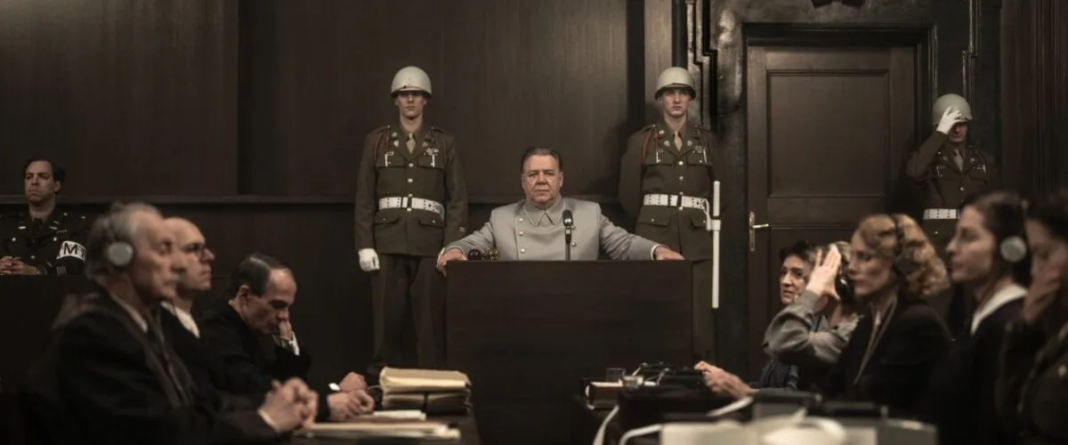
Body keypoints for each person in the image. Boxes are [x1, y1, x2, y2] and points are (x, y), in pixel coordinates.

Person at [26, 203, 314, 444]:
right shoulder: (93, 333)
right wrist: (265, 420)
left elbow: (203, 403)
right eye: (164, 250)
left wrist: (280, 404)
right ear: (119, 257)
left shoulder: (138, 324)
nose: (177, 265)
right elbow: (163, 432)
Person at [355, 66, 468, 378]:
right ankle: (381, 385)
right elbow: (364, 198)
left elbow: (457, 200)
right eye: (404, 94)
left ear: (425, 99)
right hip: (386, 244)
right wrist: (364, 244)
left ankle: (433, 386)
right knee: (385, 325)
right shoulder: (376, 141)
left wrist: (452, 245)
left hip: (430, 247)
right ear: (396, 99)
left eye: (416, 94)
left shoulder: (444, 143)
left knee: (430, 328)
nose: (410, 100)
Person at [199, 253, 374, 422]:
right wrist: (335, 391)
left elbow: (290, 385)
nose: (284, 316)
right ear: (245, 296)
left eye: (287, 307)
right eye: (277, 305)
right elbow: (261, 395)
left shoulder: (246, 328)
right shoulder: (215, 330)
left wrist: (286, 344)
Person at [618, 66, 719, 361]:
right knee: (655, 311)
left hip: (697, 241)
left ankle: (701, 374)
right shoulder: (642, 141)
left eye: (683, 93)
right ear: (660, 99)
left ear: (691, 99)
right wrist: (651, 224)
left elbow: (721, 192)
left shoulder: (706, 141)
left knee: (700, 321)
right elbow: (628, 195)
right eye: (670, 93)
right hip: (654, 237)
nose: (676, 99)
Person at [437, 147, 683, 267]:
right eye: (533, 174)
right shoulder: (502, 218)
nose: (541, 180)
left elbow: (624, 244)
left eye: (548, 173)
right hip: (519, 310)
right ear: (523, 182)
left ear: (561, 179)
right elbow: (473, 243)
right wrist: (454, 251)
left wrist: (657, 250)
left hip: (579, 311)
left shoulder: (589, 214)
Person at [919, 191, 1029, 445]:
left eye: (968, 237)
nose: (951, 248)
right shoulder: (979, 318)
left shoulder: (1008, 323)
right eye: (955, 236)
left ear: (1009, 248)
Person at [815, 214, 951, 417]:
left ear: (900, 264)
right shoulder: (870, 321)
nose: (851, 268)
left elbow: (877, 400)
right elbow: (831, 386)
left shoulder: (919, 323)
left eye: (865, 257)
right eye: (853, 256)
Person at [698, 242, 859, 398]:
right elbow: (770, 383)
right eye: (783, 272)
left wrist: (744, 391)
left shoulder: (824, 329)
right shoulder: (795, 321)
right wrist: (727, 381)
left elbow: (796, 395)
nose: (785, 281)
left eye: (798, 274)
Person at [906, 94, 999, 330]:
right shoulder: (928, 158)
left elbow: (993, 200)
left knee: (975, 314)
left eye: (962, 123)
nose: (957, 130)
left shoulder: (982, 160)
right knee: (935, 315)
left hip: (973, 243)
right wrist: (939, 134)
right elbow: (915, 172)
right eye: (951, 124)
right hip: (938, 245)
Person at [997, 190, 1068, 444]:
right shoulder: (1056, 329)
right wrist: (1025, 330)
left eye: (1045, 254)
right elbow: (1013, 419)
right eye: (1033, 255)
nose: (1035, 270)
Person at [0, 158, 90, 276]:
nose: (34, 182)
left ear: (56, 186)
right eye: (29, 177)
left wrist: (37, 271)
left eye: (42, 176)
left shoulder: (74, 225)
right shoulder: (6, 224)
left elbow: (73, 266)